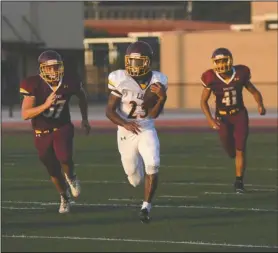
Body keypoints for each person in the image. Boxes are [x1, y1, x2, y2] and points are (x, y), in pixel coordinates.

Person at [20, 50, 91, 213]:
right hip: (41, 131)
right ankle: (64, 197)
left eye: (56, 67)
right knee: (52, 169)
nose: (53, 71)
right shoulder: (33, 84)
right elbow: (25, 114)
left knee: (65, 157)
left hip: (62, 127)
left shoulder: (69, 81)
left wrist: (85, 119)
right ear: (42, 69)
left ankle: (71, 177)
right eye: (49, 68)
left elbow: (82, 97)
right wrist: (45, 105)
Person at [105, 41, 168, 223]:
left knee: (154, 164)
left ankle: (146, 207)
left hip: (146, 127)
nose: (133, 66)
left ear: (147, 62)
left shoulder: (158, 80)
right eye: (131, 62)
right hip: (126, 129)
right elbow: (109, 111)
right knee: (134, 177)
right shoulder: (120, 78)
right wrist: (125, 124)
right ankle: (137, 166)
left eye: (138, 62)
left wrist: (162, 98)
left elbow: (153, 114)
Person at [200, 47, 266, 193]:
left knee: (240, 149)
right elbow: (203, 101)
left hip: (239, 115)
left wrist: (260, 104)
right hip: (222, 117)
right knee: (230, 151)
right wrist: (210, 119)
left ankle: (239, 182)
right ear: (214, 63)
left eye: (224, 60)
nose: (222, 64)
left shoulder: (240, 73)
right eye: (219, 61)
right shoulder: (210, 77)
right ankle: (235, 160)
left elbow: (254, 91)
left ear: (230, 60)